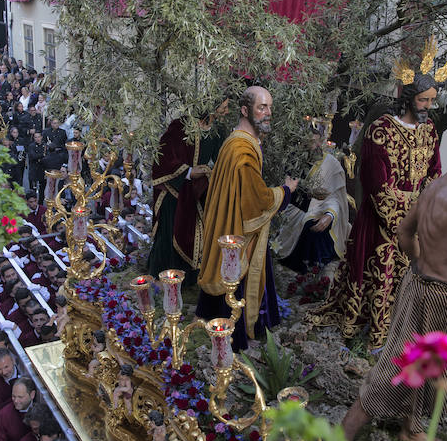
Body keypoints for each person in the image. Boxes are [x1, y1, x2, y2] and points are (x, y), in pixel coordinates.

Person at [342, 122, 447, 441]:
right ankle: (341, 437)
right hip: (445, 301)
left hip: (418, 286)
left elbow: (405, 233)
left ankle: (412, 428)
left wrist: (423, 263)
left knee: (419, 368)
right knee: (396, 371)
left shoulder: (434, 187)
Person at [309, 74, 441, 349]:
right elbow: (377, 186)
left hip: (415, 223)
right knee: (379, 276)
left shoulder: (430, 132)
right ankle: (370, 331)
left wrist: (423, 210)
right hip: (380, 224)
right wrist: (410, 213)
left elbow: (434, 174)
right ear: (408, 98)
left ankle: (402, 334)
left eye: (431, 100)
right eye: (423, 99)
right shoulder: (381, 131)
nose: (428, 106)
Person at [196, 86, 298, 350]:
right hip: (236, 230)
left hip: (228, 222)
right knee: (238, 272)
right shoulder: (241, 149)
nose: (268, 113)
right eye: (262, 107)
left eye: (270, 108)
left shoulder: (238, 142)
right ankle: (236, 332)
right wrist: (285, 191)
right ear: (245, 110)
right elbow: (256, 201)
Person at [147, 102, 227, 281]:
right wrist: (189, 172)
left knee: (198, 231)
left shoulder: (218, 131)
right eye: (224, 106)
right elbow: (164, 157)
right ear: (212, 105)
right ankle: (163, 279)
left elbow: (222, 157)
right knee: (170, 233)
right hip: (174, 189)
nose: (227, 111)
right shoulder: (181, 126)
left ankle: (190, 278)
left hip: (198, 190)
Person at [274, 127, 350, 274]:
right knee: (306, 225)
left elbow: (335, 198)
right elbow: (286, 188)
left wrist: (330, 215)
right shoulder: (294, 159)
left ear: (321, 142)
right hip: (292, 211)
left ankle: (315, 271)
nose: (311, 146)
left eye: (315, 142)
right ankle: (298, 270)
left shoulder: (331, 164)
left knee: (317, 227)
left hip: (322, 211)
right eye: (307, 142)